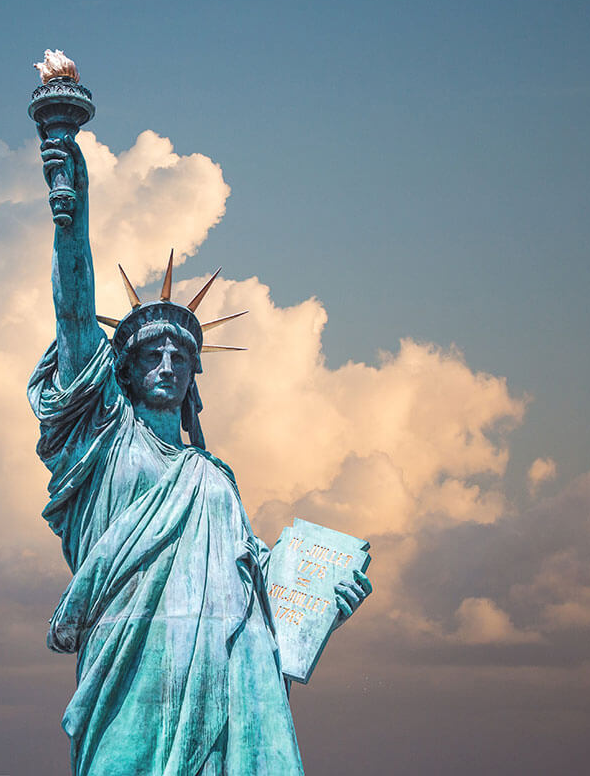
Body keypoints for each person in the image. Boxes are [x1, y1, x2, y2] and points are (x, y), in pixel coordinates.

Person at [28, 133, 371, 775]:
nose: (165, 365)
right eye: (150, 355)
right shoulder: (103, 440)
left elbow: (252, 578)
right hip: (129, 659)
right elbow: (73, 315)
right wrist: (69, 214)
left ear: (193, 376)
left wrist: (320, 595)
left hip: (223, 664)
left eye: (180, 356)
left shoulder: (212, 476)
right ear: (122, 372)